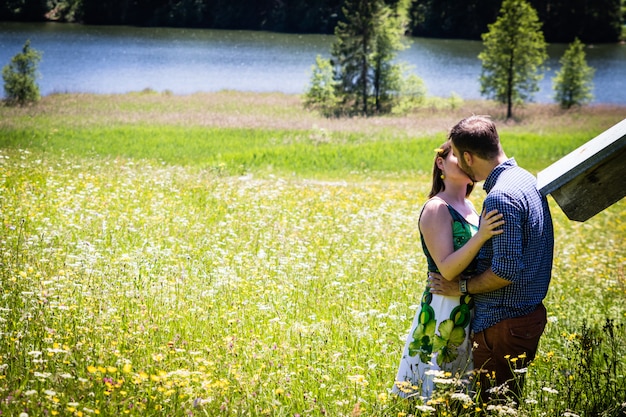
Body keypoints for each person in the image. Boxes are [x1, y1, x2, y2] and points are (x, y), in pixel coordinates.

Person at [428, 115, 554, 403]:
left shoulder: (500, 197)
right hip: (525, 315)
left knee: (494, 405)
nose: (459, 162)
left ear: (469, 157)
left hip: (502, 322)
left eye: (460, 157)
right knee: (508, 401)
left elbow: (505, 271)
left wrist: (460, 288)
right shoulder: (525, 178)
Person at [393, 140, 504, 399]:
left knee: (459, 388)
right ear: (440, 163)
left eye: (469, 156)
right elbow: (447, 269)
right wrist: (482, 235)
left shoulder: (469, 206)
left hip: (467, 302)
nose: (466, 161)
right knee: (434, 387)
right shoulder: (436, 208)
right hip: (444, 305)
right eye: (457, 156)